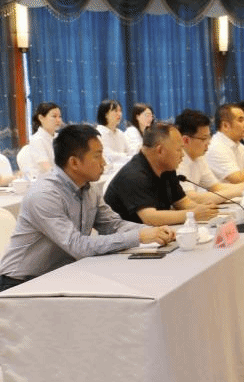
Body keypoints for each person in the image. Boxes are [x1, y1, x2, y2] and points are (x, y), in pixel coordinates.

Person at [0, 125, 174, 290]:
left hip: (61, 275)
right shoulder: (44, 195)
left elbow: (113, 225)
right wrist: (138, 236)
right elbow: (78, 246)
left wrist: (152, 231)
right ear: (74, 162)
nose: (104, 163)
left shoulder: (89, 188)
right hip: (19, 283)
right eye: (97, 156)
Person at [104, 122, 218, 226]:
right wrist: (192, 214)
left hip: (156, 233)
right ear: (160, 150)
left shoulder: (167, 168)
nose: (182, 155)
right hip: (128, 237)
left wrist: (204, 209)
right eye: (179, 150)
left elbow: (182, 202)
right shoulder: (133, 174)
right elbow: (150, 217)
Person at [175, 109, 244, 203]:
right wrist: (239, 191)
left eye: (209, 137)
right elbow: (191, 198)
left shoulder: (199, 157)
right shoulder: (177, 161)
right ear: (186, 140)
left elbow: (215, 187)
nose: (209, 142)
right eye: (204, 138)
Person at [95, 99, 131, 164]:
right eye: (115, 111)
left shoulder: (120, 133)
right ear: (105, 114)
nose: (119, 114)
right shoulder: (99, 132)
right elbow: (108, 156)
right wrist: (126, 157)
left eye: (120, 111)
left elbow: (130, 151)